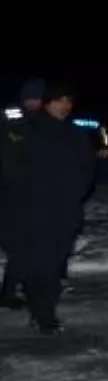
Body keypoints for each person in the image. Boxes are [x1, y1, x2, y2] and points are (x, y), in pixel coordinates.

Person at [2, 83, 94, 334]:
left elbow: (86, 172)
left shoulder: (74, 133)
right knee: (38, 265)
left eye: (68, 101)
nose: (65, 106)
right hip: (31, 212)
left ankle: (41, 308)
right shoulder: (25, 130)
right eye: (59, 100)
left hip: (65, 213)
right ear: (47, 102)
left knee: (54, 265)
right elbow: (11, 171)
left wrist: (72, 197)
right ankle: (43, 314)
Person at [1, 78, 48, 310]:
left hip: (29, 195)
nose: (35, 102)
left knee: (28, 248)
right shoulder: (12, 118)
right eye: (32, 97)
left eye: (39, 98)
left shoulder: (41, 121)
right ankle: (9, 292)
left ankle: (18, 290)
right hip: (11, 196)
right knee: (21, 248)